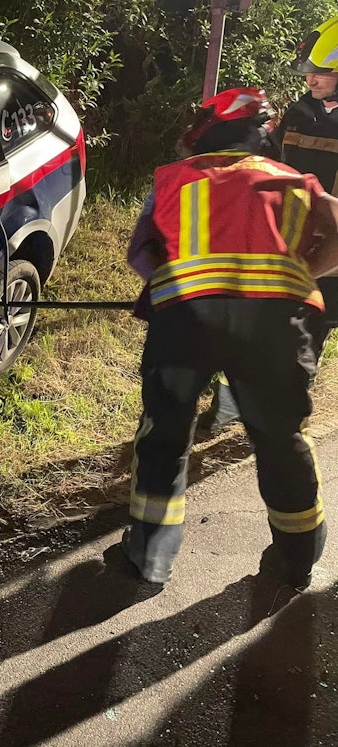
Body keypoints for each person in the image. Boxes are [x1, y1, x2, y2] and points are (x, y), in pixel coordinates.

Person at [122, 87, 338, 589]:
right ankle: (297, 561)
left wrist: (175, 282)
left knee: (166, 435)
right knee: (281, 439)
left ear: (206, 131)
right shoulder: (296, 182)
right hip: (275, 327)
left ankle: (150, 559)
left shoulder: (175, 180)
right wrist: (305, 271)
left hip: (186, 322)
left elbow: (142, 254)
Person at [201, 16, 338, 430]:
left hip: (332, 248)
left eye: (322, 73)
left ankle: (280, 415)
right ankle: (242, 399)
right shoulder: (298, 114)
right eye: (309, 72)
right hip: (283, 240)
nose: (311, 80)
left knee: (307, 333)